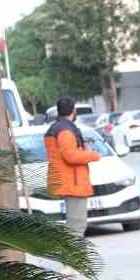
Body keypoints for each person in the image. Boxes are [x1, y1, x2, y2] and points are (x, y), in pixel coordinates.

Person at [43, 97, 100, 237]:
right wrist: (93, 155)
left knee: (75, 225)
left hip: (67, 181)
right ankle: (73, 258)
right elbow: (70, 156)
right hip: (73, 184)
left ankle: (72, 256)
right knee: (77, 225)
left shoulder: (57, 128)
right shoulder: (65, 131)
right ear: (73, 111)